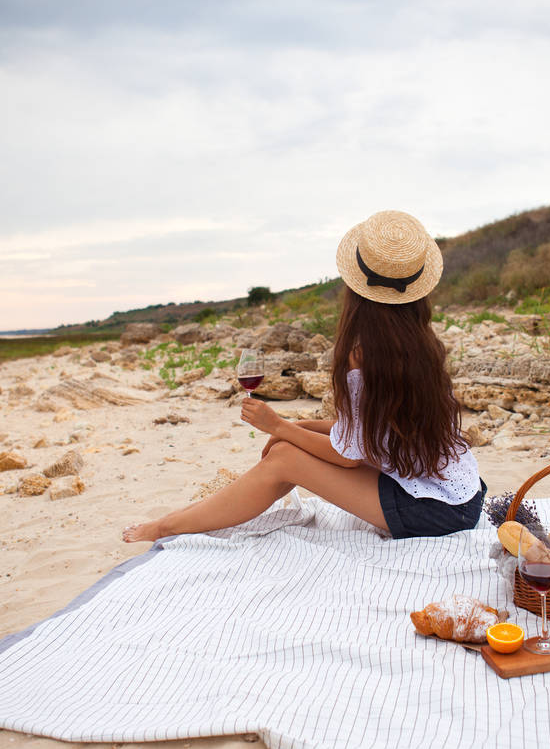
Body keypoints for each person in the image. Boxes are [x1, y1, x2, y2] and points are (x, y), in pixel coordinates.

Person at [122, 210, 485, 543]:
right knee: (285, 450)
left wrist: (278, 426)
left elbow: (348, 457)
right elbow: (369, 435)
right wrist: (300, 426)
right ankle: (180, 519)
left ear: (355, 288)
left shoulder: (365, 355)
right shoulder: (419, 344)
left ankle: (168, 527)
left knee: (284, 459)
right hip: (459, 496)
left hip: (432, 510)